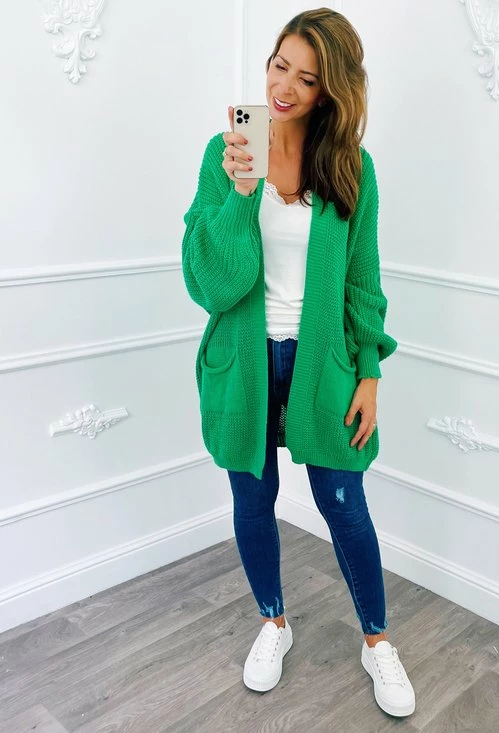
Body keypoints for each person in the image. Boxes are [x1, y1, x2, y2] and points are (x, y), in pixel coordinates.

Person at [182, 7, 415, 719]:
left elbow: (362, 281)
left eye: (306, 78)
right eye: (279, 66)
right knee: (253, 501)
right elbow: (211, 284)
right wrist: (240, 195)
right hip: (244, 362)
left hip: (324, 364)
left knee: (345, 505)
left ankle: (377, 640)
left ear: (329, 91)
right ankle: (273, 621)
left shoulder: (352, 167)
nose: (284, 87)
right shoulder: (228, 153)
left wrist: (370, 372)